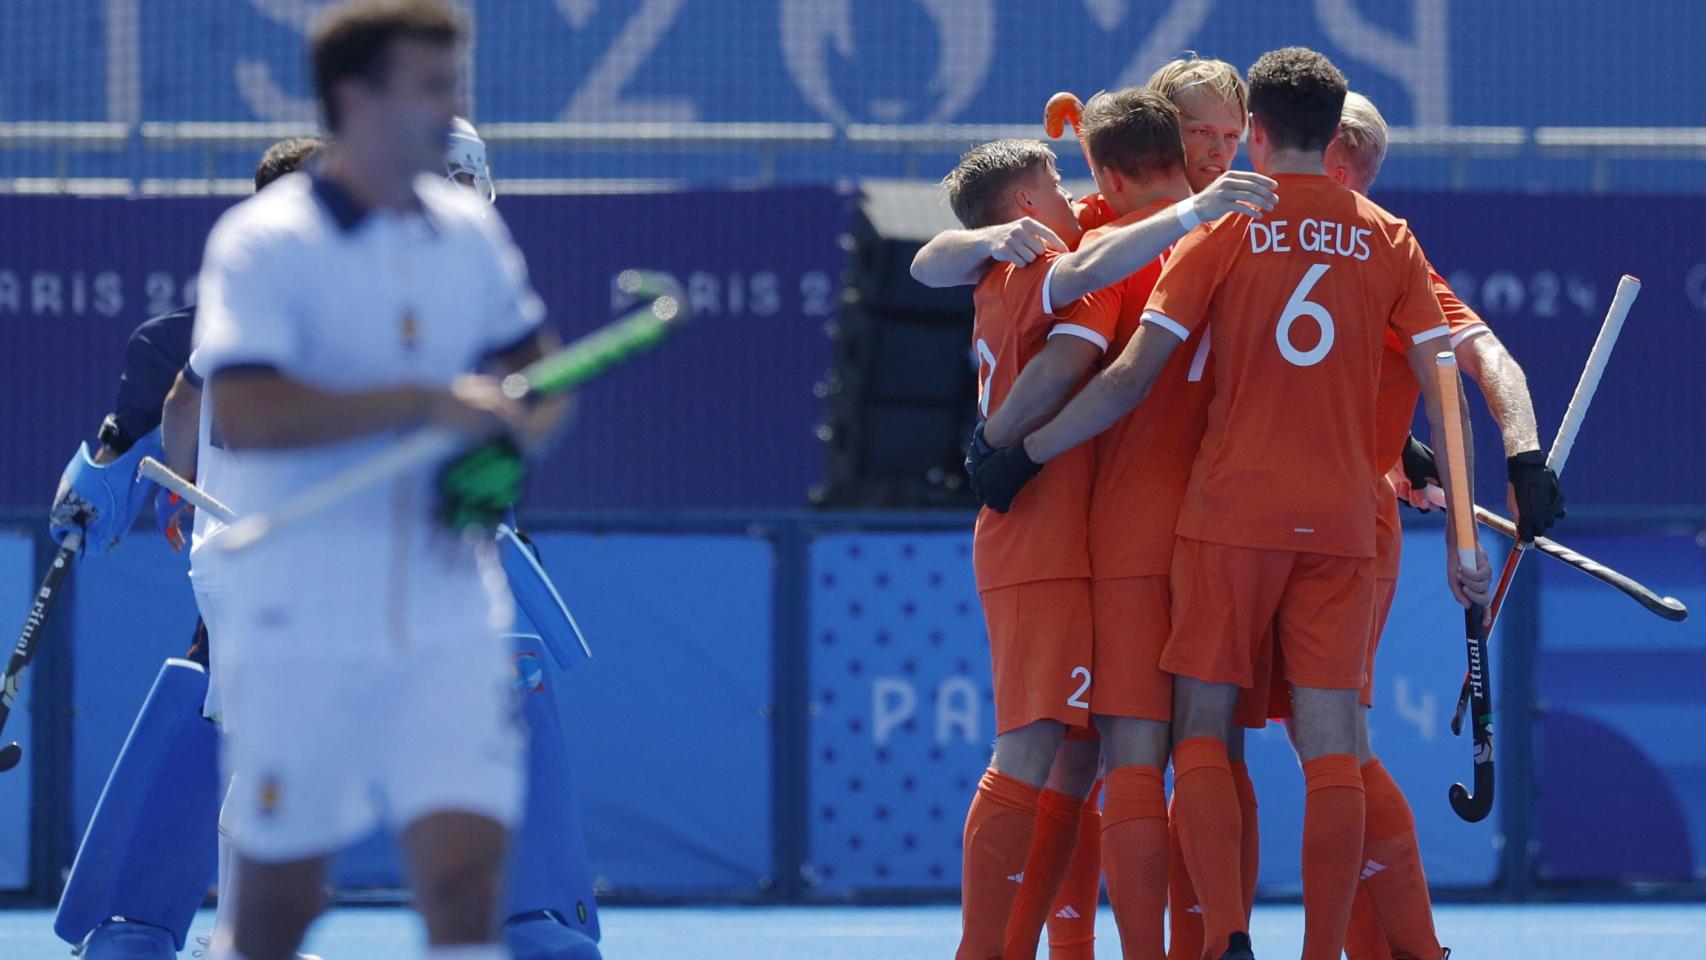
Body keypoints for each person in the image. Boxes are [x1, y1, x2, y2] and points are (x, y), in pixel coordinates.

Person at [973, 47, 1493, 960]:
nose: (1213, 153)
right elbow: (1437, 366)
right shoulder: (1367, 231)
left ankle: (1213, 940)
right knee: (1241, 746)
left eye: (1225, 134)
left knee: (1169, 747)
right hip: (1269, 518)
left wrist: (1010, 452)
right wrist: (1454, 503)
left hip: (1196, 520)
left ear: (1253, 132)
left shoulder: (1200, 229)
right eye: (1194, 137)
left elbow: (1117, 372)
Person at [192, 3, 567, 959]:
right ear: (357, 98)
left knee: (463, 879)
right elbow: (244, 414)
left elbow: (538, 379)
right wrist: (424, 405)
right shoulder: (262, 242)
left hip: (450, 607)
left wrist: (503, 445)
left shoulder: (471, 237)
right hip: (299, 613)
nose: (453, 107)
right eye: (431, 85)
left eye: (455, 84)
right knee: (279, 905)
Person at [46, 136, 322, 960]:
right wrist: (158, 487)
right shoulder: (253, 306)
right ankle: (212, 933)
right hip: (259, 557)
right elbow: (162, 413)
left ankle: (190, 928)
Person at [1309, 91, 1562, 960]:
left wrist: (1522, 458)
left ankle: (1410, 951)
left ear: (1332, 152)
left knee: (1326, 738)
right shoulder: (1262, 222)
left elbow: (1481, 356)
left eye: (1253, 135)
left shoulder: (1377, 240)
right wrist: (1403, 448)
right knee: (1327, 741)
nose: (1245, 151)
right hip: (1296, 513)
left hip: (1325, 526)